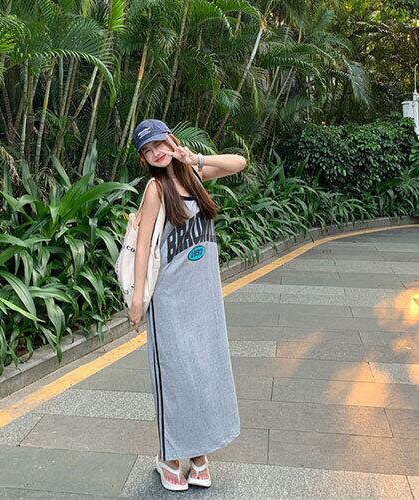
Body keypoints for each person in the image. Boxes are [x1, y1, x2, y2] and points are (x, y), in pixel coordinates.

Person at [128, 118, 246, 491]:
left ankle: (198, 456)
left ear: (171, 140)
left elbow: (239, 162)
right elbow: (143, 246)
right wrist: (137, 297)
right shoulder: (155, 189)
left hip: (203, 295)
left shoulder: (194, 175)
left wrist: (195, 158)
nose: (155, 153)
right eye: (147, 151)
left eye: (159, 144)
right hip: (169, 298)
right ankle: (170, 458)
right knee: (176, 376)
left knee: (204, 372)